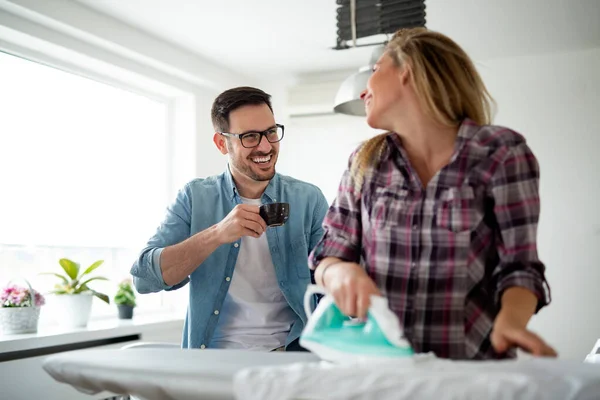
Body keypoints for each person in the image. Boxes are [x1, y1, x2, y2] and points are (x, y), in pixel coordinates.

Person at [308, 28, 556, 360]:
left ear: (406, 69)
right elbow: (327, 257)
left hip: (470, 371)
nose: (365, 89)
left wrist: (511, 322)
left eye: (375, 70)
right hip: (376, 372)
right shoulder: (364, 163)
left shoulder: (501, 152)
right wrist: (339, 272)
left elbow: (521, 266)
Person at [132, 86, 328, 351]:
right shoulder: (194, 197)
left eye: (271, 132)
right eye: (249, 136)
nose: (265, 146)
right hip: (214, 356)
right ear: (222, 143)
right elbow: (144, 279)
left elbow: (330, 278)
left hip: (293, 350)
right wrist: (217, 234)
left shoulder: (309, 198)